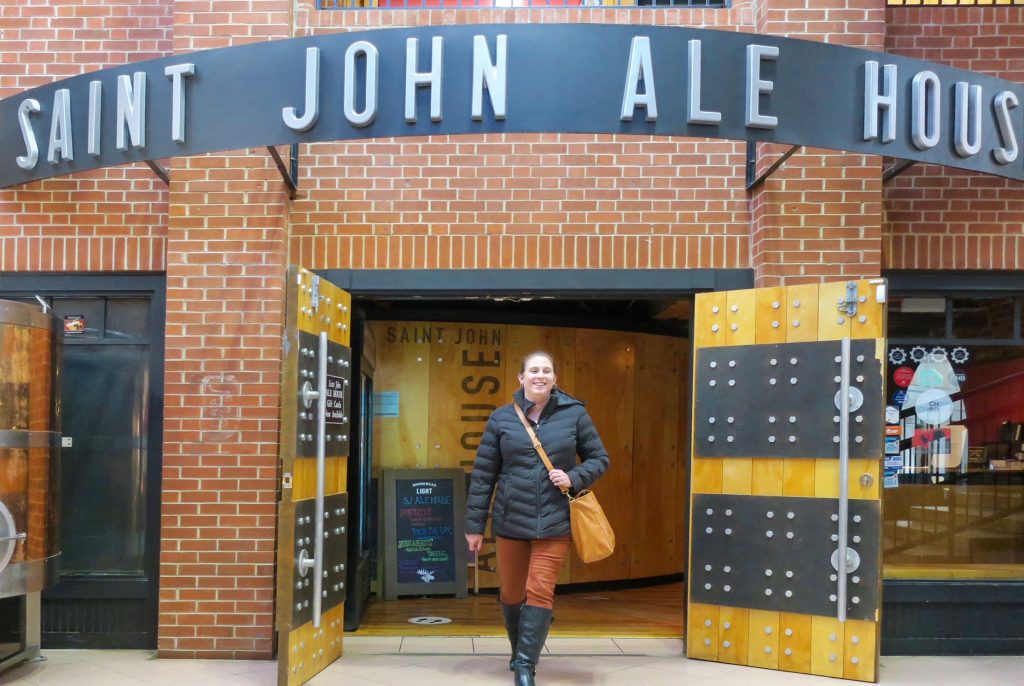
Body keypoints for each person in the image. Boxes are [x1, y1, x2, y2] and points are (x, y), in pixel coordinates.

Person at [465, 351, 610, 686]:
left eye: (546, 370)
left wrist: (574, 477)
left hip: (554, 521)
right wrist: (475, 526)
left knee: (540, 589)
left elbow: (600, 458)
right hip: (510, 520)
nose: (540, 375)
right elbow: (484, 475)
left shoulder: (575, 415)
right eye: (533, 370)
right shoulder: (501, 419)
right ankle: (519, 652)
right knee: (512, 593)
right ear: (521, 377)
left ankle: (526, 667)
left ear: (555, 378)